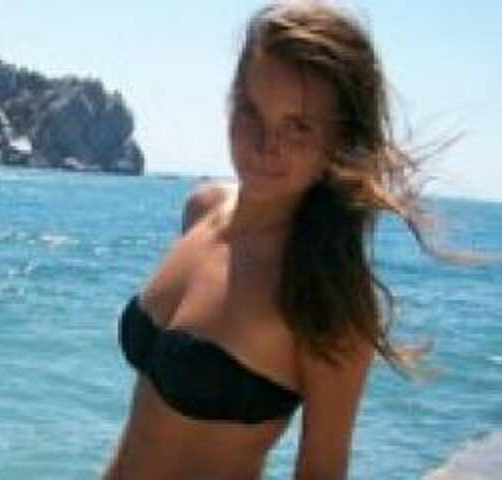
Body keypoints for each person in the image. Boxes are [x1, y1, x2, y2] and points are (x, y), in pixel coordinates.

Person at [102, 1, 438, 478]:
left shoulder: (328, 295)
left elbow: (321, 470)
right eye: (251, 112)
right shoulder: (202, 209)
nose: (265, 145)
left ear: (341, 140)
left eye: (297, 127)